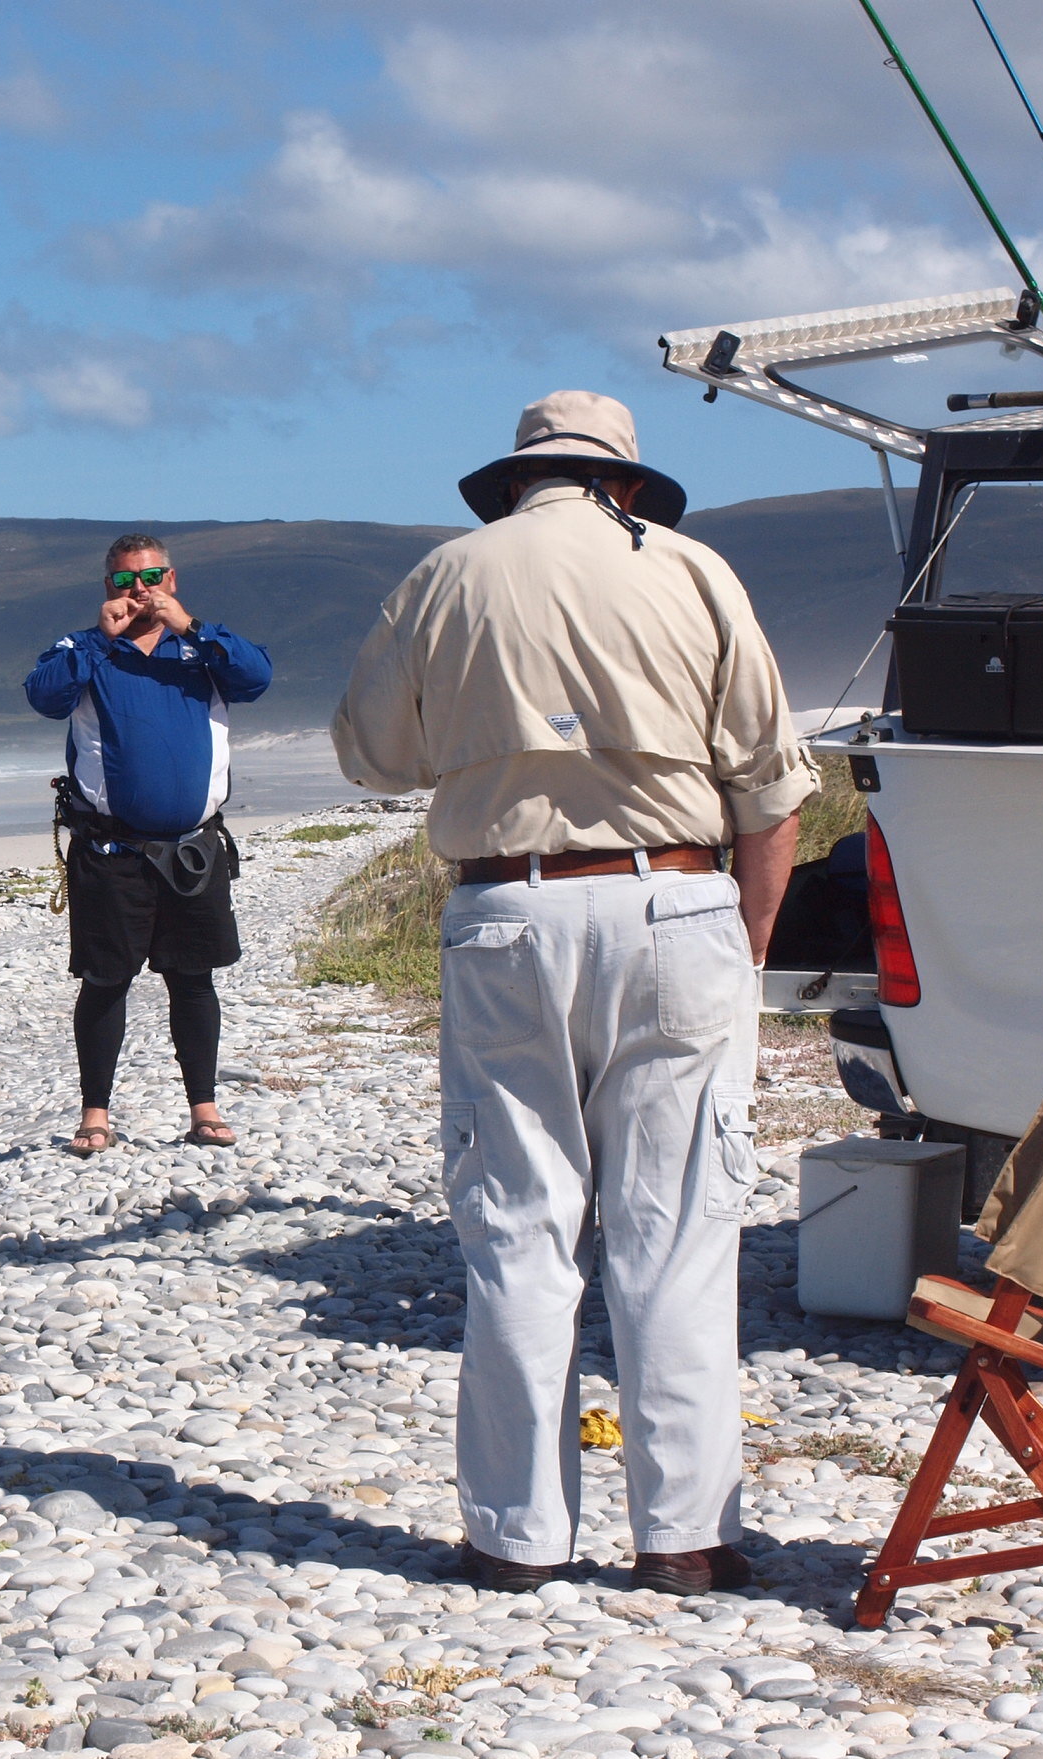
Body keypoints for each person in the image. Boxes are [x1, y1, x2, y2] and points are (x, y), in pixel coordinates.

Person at [332, 392, 815, 1596]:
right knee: (679, 1229)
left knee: (517, 1221)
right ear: (627, 487)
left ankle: (514, 1536)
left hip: (505, 905)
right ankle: (686, 1539)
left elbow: (371, 758)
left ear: (513, 482)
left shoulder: (443, 577)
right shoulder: (696, 573)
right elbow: (768, 783)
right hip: (677, 898)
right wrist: (743, 942)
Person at [25, 535, 272, 1156]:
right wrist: (105, 640)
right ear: (106, 585)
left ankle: (204, 1107)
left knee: (193, 979)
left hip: (193, 849)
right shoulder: (84, 649)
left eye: (152, 577)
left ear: (173, 578)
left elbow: (257, 677)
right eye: (125, 580)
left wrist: (187, 624)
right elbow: (42, 695)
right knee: (106, 981)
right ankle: (95, 1114)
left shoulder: (202, 647)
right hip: (111, 853)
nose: (139, 590)